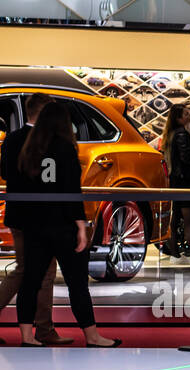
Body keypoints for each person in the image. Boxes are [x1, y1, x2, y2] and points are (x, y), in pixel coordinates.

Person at [12, 101, 119, 347]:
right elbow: (72, 191)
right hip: (63, 226)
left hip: (35, 225)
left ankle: (27, 337)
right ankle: (92, 336)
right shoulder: (65, 148)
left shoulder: (29, 149)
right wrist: (81, 226)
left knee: (31, 281)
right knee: (77, 284)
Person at [0, 91, 70, 346]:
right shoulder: (52, 142)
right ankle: (43, 329)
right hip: (44, 217)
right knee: (43, 273)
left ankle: (41, 330)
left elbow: (6, 174)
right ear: (44, 113)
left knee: (23, 270)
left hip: (19, 215)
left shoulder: (12, 140)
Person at [161, 104, 190, 262]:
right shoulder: (181, 134)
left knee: (174, 220)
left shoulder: (172, 134)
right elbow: (186, 158)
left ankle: (175, 254)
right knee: (188, 221)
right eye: (186, 114)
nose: (189, 115)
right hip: (185, 182)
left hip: (175, 181)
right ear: (179, 118)